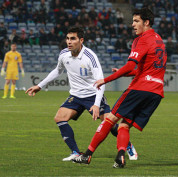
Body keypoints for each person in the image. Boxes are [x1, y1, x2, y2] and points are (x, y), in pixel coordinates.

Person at [25, 27, 137, 162]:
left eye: (73, 39)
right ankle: (76, 153)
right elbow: (57, 70)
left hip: (93, 95)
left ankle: (128, 145)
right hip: (76, 96)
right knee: (59, 117)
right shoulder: (64, 54)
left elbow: (101, 82)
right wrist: (39, 86)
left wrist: (96, 104)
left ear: (81, 40)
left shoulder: (90, 57)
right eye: (67, 38)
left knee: (109, 123)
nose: (69, 42)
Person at [73, 8, 166, 168]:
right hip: (156, 92)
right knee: (124, 125)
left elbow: (131, 65)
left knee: (110, 119)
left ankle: (87, 155)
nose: (133, 24)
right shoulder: (159, 40)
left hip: (140, 88)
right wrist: (125, 74)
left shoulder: (141, 39)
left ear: (146, 22)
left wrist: (106, 80)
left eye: (136, 21)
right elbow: (145, 69)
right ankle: (120, 157)